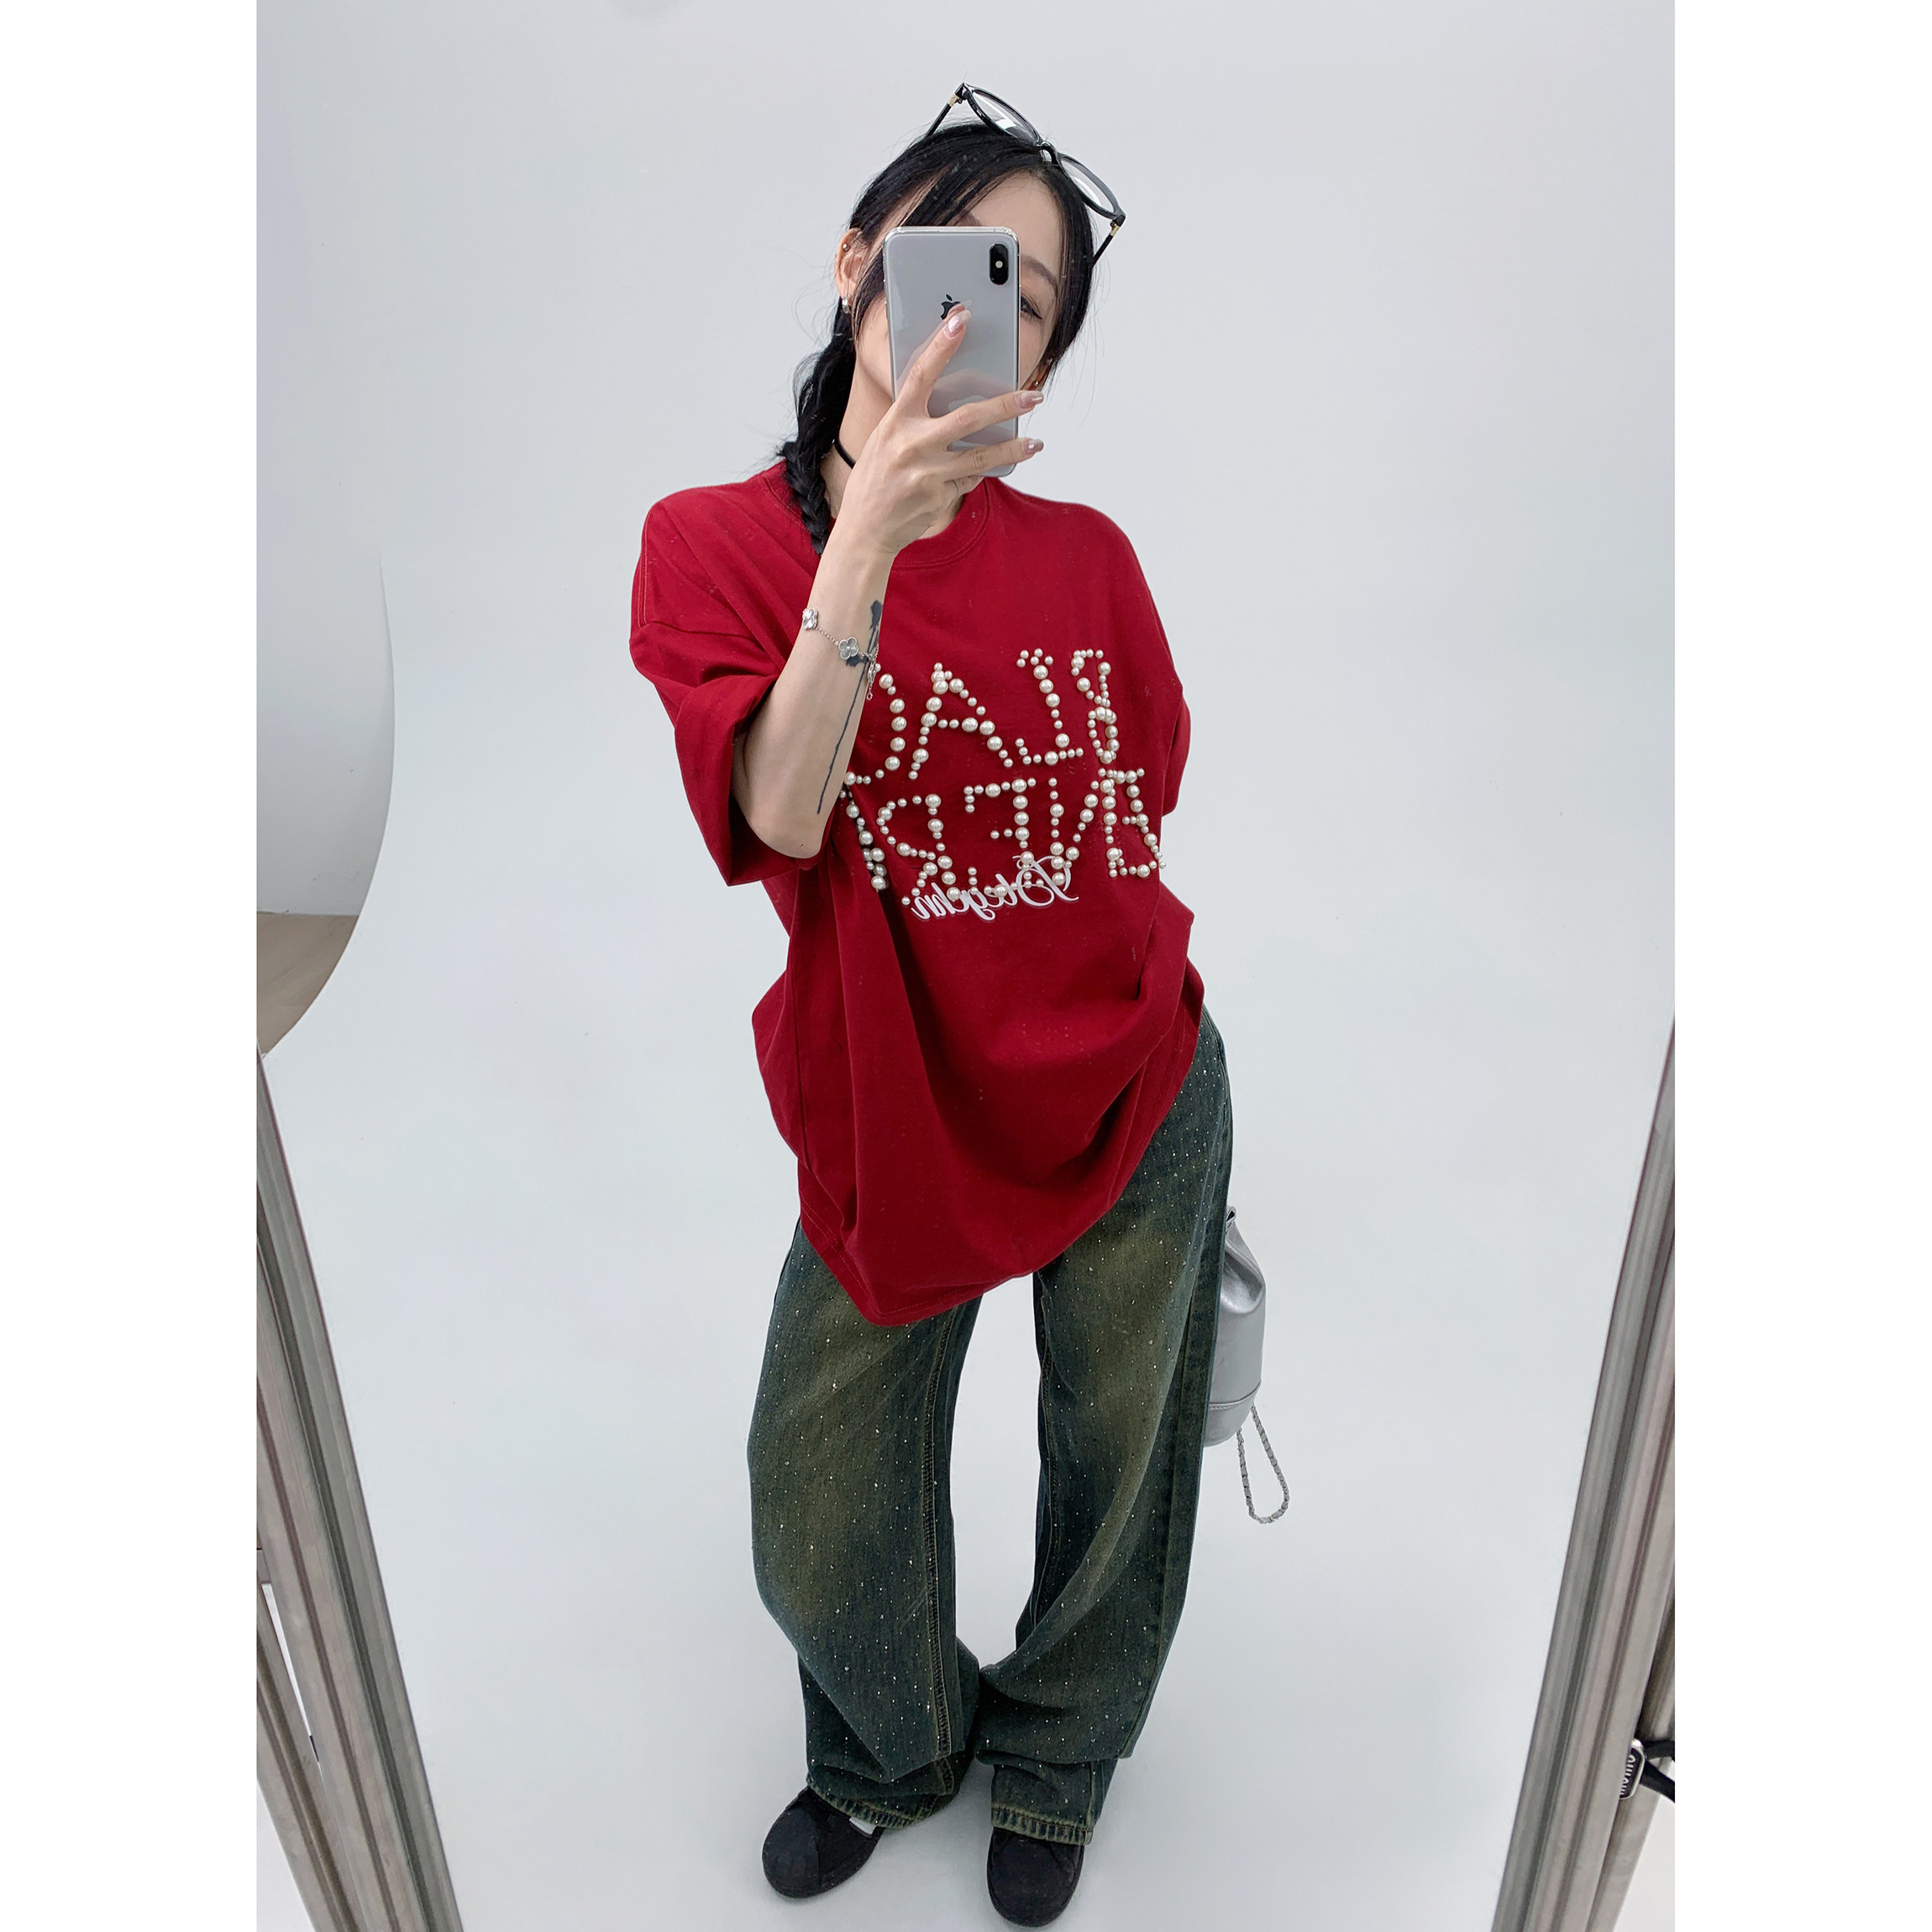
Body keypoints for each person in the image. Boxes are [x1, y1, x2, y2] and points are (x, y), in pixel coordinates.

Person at [628, 85, 1233, 1929]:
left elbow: (1140, 787)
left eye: (1028, 302)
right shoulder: (711, 547)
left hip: (1132, 1076)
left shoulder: (1090, 558)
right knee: (818, 1490)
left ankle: (1056, 1753)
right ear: (858, 265)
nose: (984, 312)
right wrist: (871, 536)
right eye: (953, 259)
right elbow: (780, 815)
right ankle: (891, 1749)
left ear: (1042, 363)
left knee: (1116, 1450)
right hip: (895, 1102)